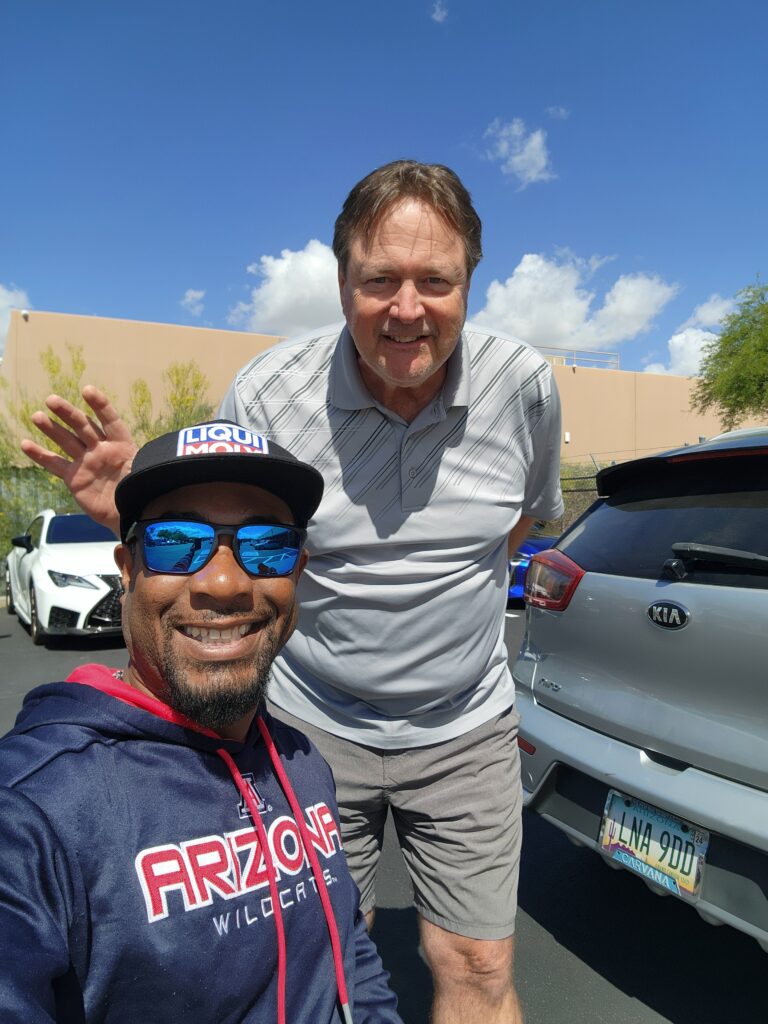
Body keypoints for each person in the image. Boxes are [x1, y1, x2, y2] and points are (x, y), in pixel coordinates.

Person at [23, 159, 564, 1024]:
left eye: (437, 280)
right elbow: (225, 551)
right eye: (379, 279)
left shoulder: (526, 389)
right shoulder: (271, 393)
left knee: (475, 960)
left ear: (472, 281)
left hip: (466, 724)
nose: (407, 308)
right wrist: (148, 497)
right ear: (342, 278)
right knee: (314, 954)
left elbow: (519, 527)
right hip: (311, 729)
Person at [0, 420, 402, 1024]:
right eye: (174, 541)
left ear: (297, 571)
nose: (224, 583)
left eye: (267, 545)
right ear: (128, 569)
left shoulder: (300, 763)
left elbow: (346, 958)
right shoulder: (32, 812)